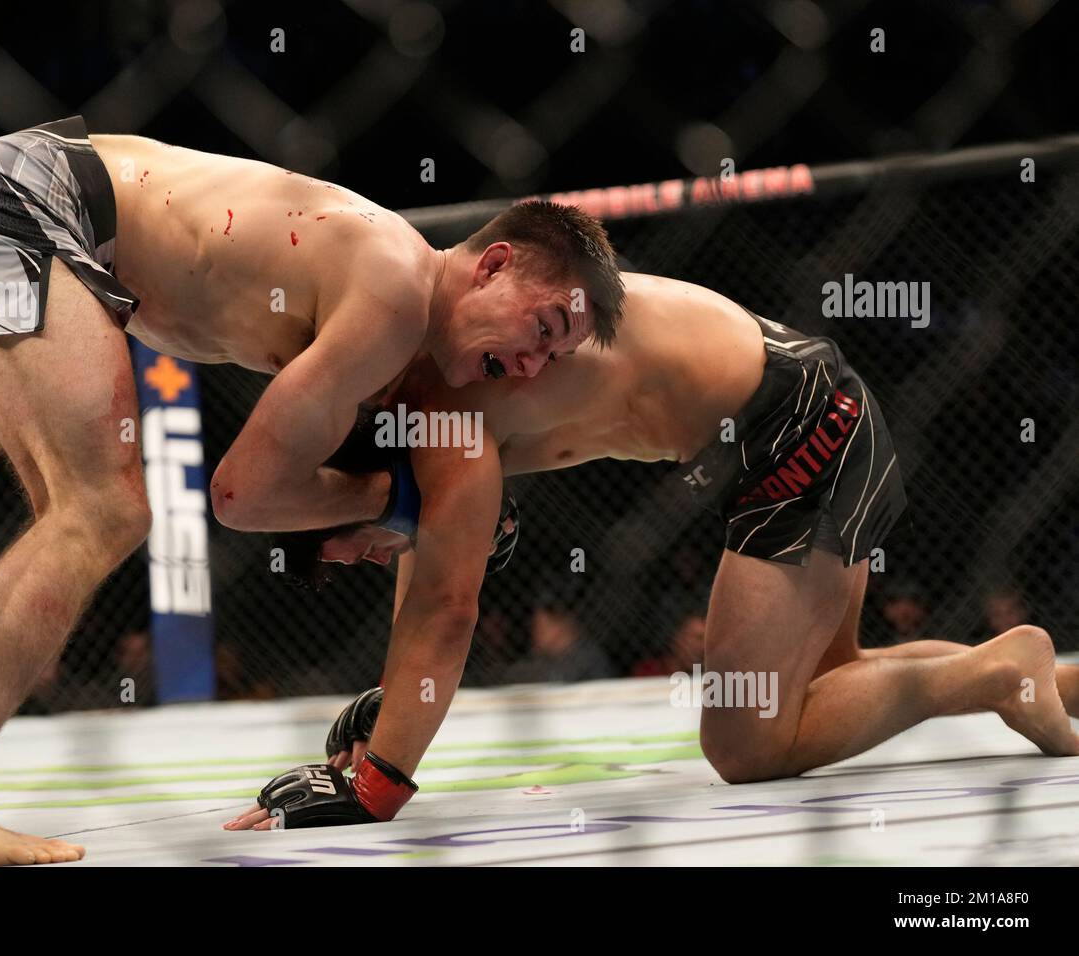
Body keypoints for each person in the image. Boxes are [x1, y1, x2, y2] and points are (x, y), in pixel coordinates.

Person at [0, 116, 624, 863]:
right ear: (496, 265)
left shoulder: (392, 310)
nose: (530, 364)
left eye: (552, 358)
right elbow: (242, 496)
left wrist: (373, 498)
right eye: (542, 329)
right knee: (100, 509)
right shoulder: (394, 294)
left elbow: (281, 489)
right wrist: (386, 503)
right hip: (35, 209)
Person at [226, 271, 1079, 830]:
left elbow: (444, 609)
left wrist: (374, 779)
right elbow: (427, 584)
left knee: (743, 747)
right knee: (825, 687)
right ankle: (1059, 678)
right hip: (805, 410)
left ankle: (1003, 671)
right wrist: (388, 711)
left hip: (798, 433)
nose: (373, 562)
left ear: (345, 500)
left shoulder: (433, 414)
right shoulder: (422, 412)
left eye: (352, 554)